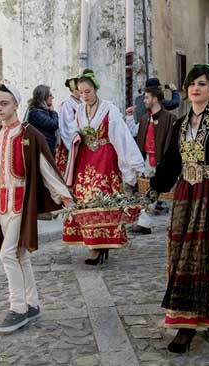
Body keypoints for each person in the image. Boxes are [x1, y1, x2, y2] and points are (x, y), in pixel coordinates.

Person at [148, 64, 209, 353]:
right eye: (192, 83)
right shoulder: (180, 125)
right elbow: (170, 162)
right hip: (186, 198)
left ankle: (207, 317)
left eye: (202, 84)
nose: (196, 88)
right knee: (184, 257)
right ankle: (185, 322)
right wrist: (154, 187)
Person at [0, 82, 73, 333]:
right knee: (19, 255)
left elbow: (46, 168)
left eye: (4, 103)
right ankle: (32, 303)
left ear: (16, 104)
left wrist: (63, 196)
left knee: (7, 254)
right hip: (1, 204)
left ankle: (18, 308)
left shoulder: (30, 134)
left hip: (21, 204)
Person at [62, 69, 145, 263]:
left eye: (88, 91)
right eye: (81, 92)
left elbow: (121, 137)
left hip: (105, 158)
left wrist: (130, 166)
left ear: (95, 89)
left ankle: (102, 244)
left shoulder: (109, 109)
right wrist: (76, 136)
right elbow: (73, 130)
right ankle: (93, 245)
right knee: (84, 199)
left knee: (102, 198)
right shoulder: (80, 109)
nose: (85, 96)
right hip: (85, 158)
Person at [131, 86, 176, 235]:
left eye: (146, 97)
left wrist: (166, 161)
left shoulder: (169, 118)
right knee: (148, 191)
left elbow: (171, 140)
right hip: (147, 160)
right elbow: (137, 137)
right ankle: (144, 223)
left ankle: (175, 222)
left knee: (168, 193)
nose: (144, 100)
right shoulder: (145, 118)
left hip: (162, 160)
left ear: (155, 99)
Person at [55, 77, 82, 175]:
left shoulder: (80, 103)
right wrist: (80, 130)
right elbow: (68, 124)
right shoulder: (67, 104)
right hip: (70, 138)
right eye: (80, 89)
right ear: (74, 90)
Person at [25, 85, 59, 156]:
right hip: (41, 151)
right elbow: (54, 125)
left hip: (45, 148)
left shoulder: (42, 110)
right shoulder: (36, 112)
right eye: (50, 95)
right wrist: (53, 112)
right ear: (44, 97)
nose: (53, 97)